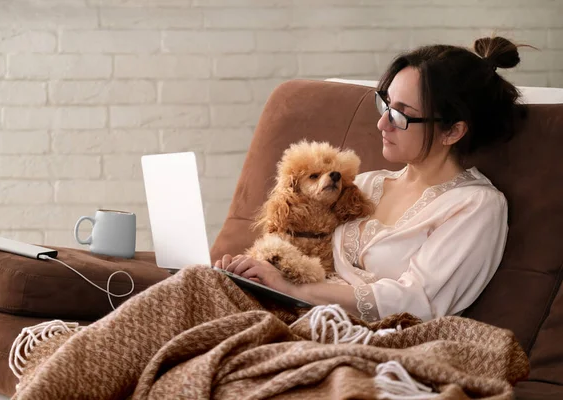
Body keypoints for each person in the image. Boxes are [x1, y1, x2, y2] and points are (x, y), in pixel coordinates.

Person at [215, 36, 528, 322]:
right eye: (386, 104)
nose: (382, 123)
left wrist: (292, 290)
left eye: (401, 114)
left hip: (364, 335)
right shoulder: (364, 185)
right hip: (292, 311)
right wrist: (258, 274)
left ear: (452, 131)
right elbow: (300, 242)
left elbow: (418, 301)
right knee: (198, 284)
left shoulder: (475, 206)